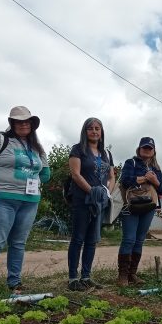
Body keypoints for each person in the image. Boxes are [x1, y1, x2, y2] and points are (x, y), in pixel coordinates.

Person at [0, 106, 50, 293]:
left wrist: (36, 180)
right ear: (12, 123)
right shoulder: (1, 140)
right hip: (2, 199)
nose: (23, 124)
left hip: (30, 201)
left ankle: (14, 282)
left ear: (32, 124)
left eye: (27, 121)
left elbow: (46, 173)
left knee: (18, 243)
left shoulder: (37, 148)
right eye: (19, 121)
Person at [66, 117, 115, 291]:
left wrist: (107, 192)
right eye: (90, 128)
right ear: (85, 131)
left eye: (97, 128)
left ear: (102, 132)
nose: (94, 131)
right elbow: (76, 174)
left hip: (99, 203)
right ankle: (73, 278)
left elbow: (111, 176)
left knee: (92, 240)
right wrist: (92, 191)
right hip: (82, 199)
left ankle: (86, 276)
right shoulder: (78, 149)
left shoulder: (106, 153)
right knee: (78, 238)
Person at [117, 137, 162, 286]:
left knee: (139, 240)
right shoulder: (130, 163)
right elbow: (125, 180)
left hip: (149, 207)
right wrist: (145, 178)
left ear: (154, 151)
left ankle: (132, 273)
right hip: (130, 205)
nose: (147, 150)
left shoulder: (156, 169)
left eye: (150, 148)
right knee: (129, 239)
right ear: (139, 149)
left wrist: (155, 180)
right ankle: (122, 275)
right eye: (144, 147)